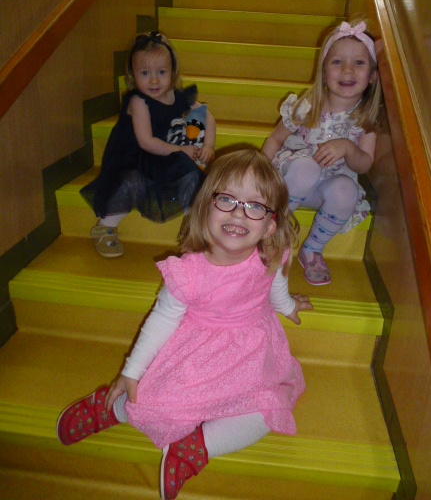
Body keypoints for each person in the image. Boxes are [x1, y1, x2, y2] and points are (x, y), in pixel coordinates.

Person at [57, 149, 312, 500]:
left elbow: (276, 288)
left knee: (268, 410)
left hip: (252, 354)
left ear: (269, 225)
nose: (239, 213)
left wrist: (289, 307)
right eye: (227, 200)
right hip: (198, 352)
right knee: (153, 403)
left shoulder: (271, 254)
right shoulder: (189, 272)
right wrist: (131, 372)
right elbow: (161, 320)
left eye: (255, 205)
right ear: (205, 208)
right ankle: (110, 407)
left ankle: (196, 448)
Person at [262, 21, 382, 286]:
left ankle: (312, 250)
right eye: (337, 62)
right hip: (292, 180)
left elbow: (364, 164)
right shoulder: (308, 105)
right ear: (324, 70)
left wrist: (348, 147)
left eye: (359, 63)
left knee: (347, 190)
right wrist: (260, 171)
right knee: (307, 167)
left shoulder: (365, 119)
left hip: (323, 190)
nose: (348, 70)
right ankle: (272, 230)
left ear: (373, 76)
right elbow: (276, 138)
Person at [80, 32, 216, 258]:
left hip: (166, 153)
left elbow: (207, 116)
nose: (154, 81)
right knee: (131, 182)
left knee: (191, 175)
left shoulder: (177, 96)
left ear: (172, 72)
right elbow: (146, 142)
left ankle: (196, 228)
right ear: (133, 75)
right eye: (145, 73)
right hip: (136, 157)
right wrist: (182, 149)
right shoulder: (138, 102)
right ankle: (105, 226)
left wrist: (209, 145)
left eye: (161, 72)